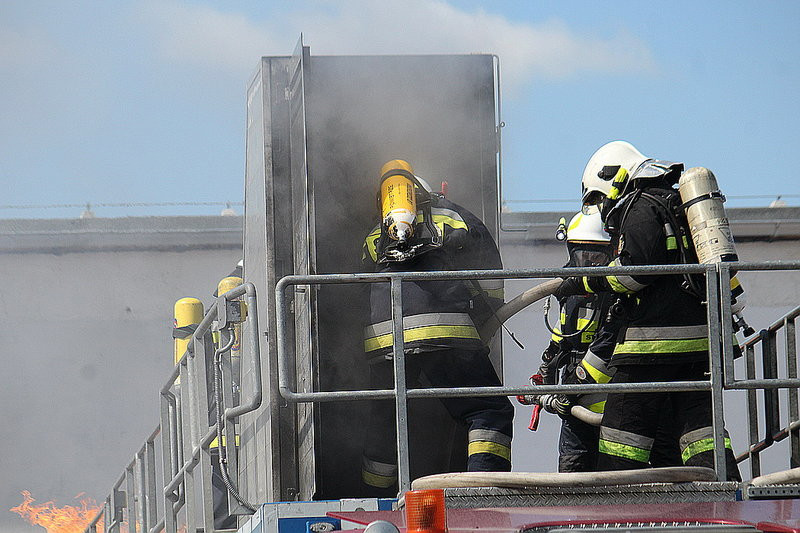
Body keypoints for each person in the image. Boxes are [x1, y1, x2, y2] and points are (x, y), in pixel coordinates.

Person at [553, 141, 740, 480]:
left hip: (650, 348)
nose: (604, 205)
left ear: (611, 178)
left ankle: (619, 504)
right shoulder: (674, 204)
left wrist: (585, 282)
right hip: (697, 345)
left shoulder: (640, 206)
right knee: (701, 431)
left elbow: (633, 272)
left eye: (600, 195)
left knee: (621, 433)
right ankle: (727, 492)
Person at [360, 159, 513, 492]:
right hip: (445, 331)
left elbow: (362, 289)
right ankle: (484, 489)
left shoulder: (375, 234)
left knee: (387, 419)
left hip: (385, 341)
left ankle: (374, 496)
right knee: (488, 408)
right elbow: (492, 282)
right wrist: (482, 317)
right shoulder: (454, 215)